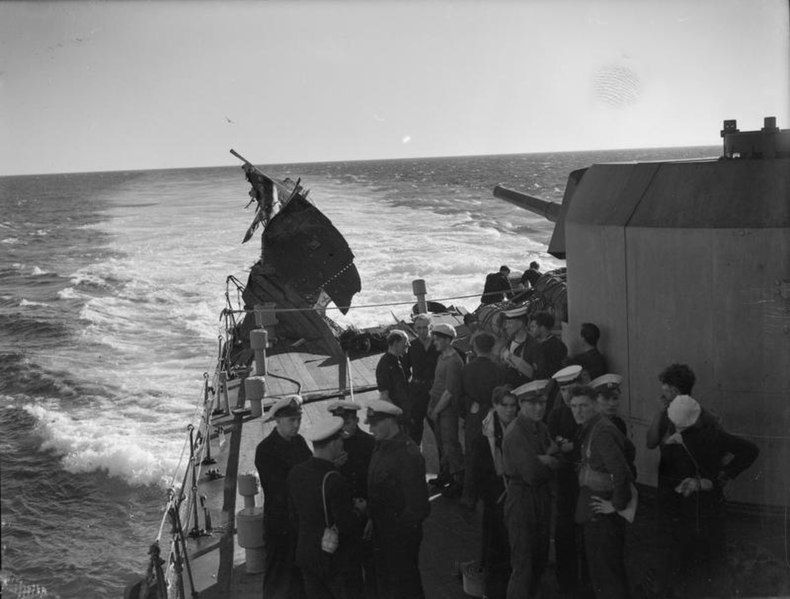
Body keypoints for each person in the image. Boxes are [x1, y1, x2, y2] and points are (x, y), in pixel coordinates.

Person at [650, 391, 759, 596]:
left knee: (687, 565)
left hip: (684, 513)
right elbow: (751, 450)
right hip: (713, 506)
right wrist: (727, 473)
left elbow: (667, 491)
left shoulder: (671, 448)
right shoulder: (715, 437)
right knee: (714, 558)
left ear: (673, 420)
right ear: (697, 414)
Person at [288, 417, 367, 599]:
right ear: (332, 444)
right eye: (340, 440)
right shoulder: (334, 479)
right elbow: (346, 525)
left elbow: (293, 517)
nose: (342, 445)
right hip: (335, 561)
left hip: (307, 555)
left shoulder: (296, 472)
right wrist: (359, 510)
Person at [569, 385, 632, 599]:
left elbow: (621, 472)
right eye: (574, 406)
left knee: (607, 575)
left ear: (595, 405)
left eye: (584, 405)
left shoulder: (601, 431)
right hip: (595, 508)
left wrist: (616, 506)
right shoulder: (594, 427)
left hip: (602, 513)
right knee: (606, 571)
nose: (578, 411)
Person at [365, 399, 430, 599]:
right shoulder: (381, 446)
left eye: (375, 424)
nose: (372, 429)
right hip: (382, 532)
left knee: (405, 586)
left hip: (399, 537)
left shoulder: (408, 454)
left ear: (390, 422)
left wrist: (396, 534)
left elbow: (418, 506)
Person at [502, 379, 560, 599]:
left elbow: (556, 459)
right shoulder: (516, 432)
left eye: (543, 402)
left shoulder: (540, 427)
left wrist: (545, 460)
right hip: (521, 500)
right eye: (532, 403)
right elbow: (532, 474)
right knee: (523, 566)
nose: (539, 408)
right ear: (520, 404)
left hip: (540, 499)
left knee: (539, 561)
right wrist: (547, 462)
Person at [255, 395, 313, 599]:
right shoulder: (265, 450)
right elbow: (280, 488)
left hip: (299, 523)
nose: (297, 425)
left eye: (299, 419)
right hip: (280, 525)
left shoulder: (299, 442)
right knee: (277, 578)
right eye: (292, 420)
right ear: (278, 421)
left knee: (300, 578)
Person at [327, 400, 377, 597]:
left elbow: (376, 484)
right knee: (348, 571)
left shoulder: (370, 444)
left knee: (372, 566)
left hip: (367, 514)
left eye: (347, 423)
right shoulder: (330, 445)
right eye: (339, 423)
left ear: (356, 420)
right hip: (345, 516)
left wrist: (372, 515)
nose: (344, 428)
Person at [473, 385, 518, 599]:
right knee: (496, 551)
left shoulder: (521, 428)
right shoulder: (485, 434)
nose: (509, 410)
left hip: (517, 499)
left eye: (513, 405)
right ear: (495, 406)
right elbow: (478, 472)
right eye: (505, 405)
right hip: (497, 500)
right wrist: (495, 496)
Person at [547, 364, 586, 594]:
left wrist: (571, 446)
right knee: (565, 528)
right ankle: (567, 579)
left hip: (587, 479)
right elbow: (551, 440)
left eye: (571, 389)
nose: (567, 395)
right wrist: (565, 446)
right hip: (565, 477)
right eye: (563, 391)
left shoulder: (588, 411)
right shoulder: (557, 414)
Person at [459, 331, 505, 509]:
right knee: (496, 453)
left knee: (471, 454)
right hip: (494, 412)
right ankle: (495, 493)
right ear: (492, 347)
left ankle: (469, 496)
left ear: (476, 347)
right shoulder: (499, 368)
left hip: (474, 413)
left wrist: (464, 413)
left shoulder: (467, 368)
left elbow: (459, 394)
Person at [427, 322, 465, 495]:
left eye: (437, 339)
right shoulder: (442, 357)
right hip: (437, 405)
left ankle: (459, 480)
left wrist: (436, 411)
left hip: (447, 410)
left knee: (451, 444)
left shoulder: (454, 361)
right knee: (441, 443)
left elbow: (449, 391)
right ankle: (446, 473)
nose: (434, 342)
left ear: (447, 340)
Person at [402, 314, 439, 445]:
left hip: (435, 392)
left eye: (425, 327)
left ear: (431, 327)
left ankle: (443, 462)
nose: (422, 331)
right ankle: (415, 460)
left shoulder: (439, 345)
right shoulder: (411, 347)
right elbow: (404, 371)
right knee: (414, 430)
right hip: (417, 392)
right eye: (419, 328)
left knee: (439, 430)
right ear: (415, 328)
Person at [590, 374, 636, 478]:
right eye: (606, 398)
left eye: (615, 398)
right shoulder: (590, 425)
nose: (611, 403)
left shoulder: (618, 423)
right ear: (594, 400)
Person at [375, 329, 411, 424]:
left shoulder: (399, 360)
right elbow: (384, 396)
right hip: (397, 416)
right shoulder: (385, 364)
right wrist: (399, 415)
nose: (408, 345)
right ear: (396, 343)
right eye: (405, 343)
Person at [499, 305, 536, 388]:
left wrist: (511, 357)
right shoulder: (510, 341)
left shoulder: (533, 345)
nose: (506, 326)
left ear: (520, 324)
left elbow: (535, 374)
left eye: (510, 322)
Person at [528, 311, 567, 381]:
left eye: (533, 326)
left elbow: (542, 371)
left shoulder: (544, 347)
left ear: (543, 328)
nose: (531, 329)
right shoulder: (559, 343)